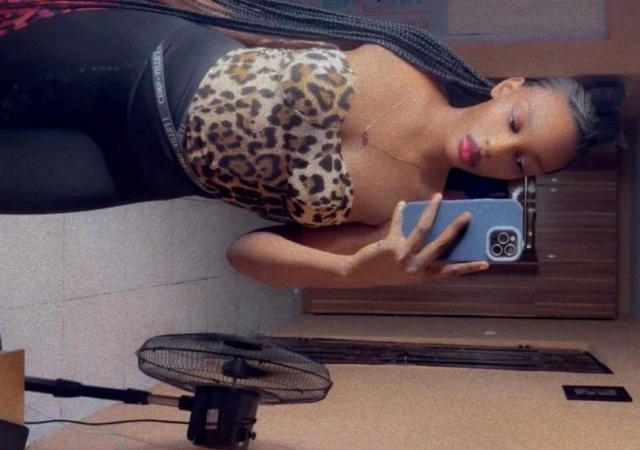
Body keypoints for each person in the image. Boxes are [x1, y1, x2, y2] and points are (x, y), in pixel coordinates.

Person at [0, 1, 619, 290]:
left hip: (129, 168)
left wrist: (351, 270)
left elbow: (243, 253)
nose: (494, 147)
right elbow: (259, 24)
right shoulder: (406, 57)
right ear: (508, 88)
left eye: (521, 160)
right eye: (514, 122)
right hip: (138, 56)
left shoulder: (408, 213)